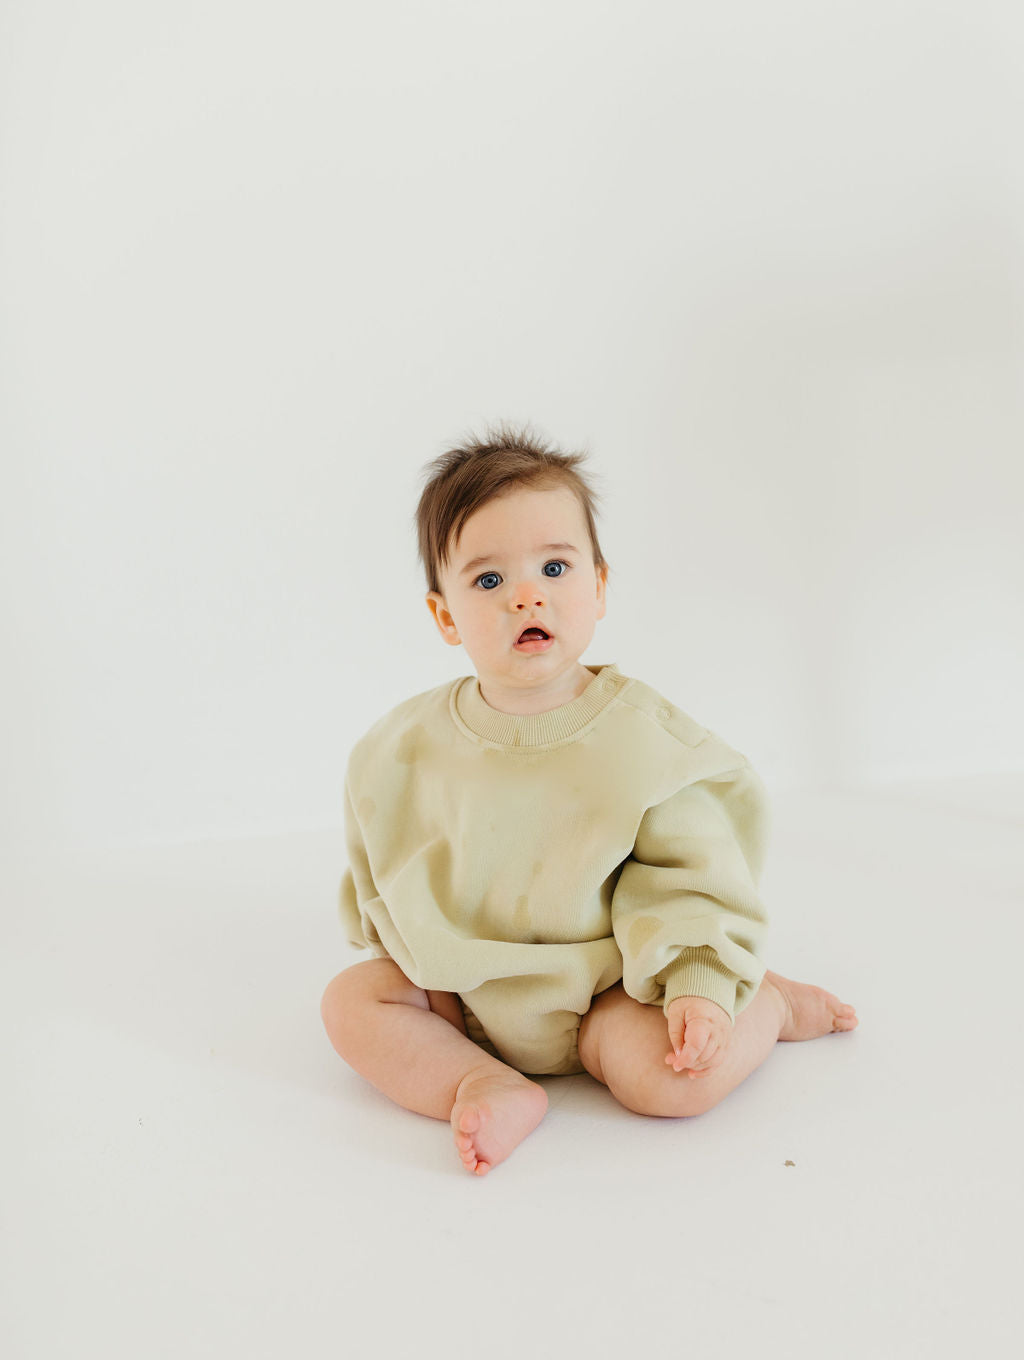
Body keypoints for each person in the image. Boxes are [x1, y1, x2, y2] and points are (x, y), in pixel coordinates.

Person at [320, 421, 858, 1176]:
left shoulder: (642, 744)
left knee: (672, 1085)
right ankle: (479, 1080)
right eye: (488, 580)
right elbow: (383, 862)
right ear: (445, 616)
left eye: (554, 567)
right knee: (351, 1003)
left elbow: (690, 876)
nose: (526, 596)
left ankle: (762, 1003)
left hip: (606, 995)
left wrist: (694, 982)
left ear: (599, 587)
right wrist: (401, 953)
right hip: (459, 997)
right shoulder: (401, 748)